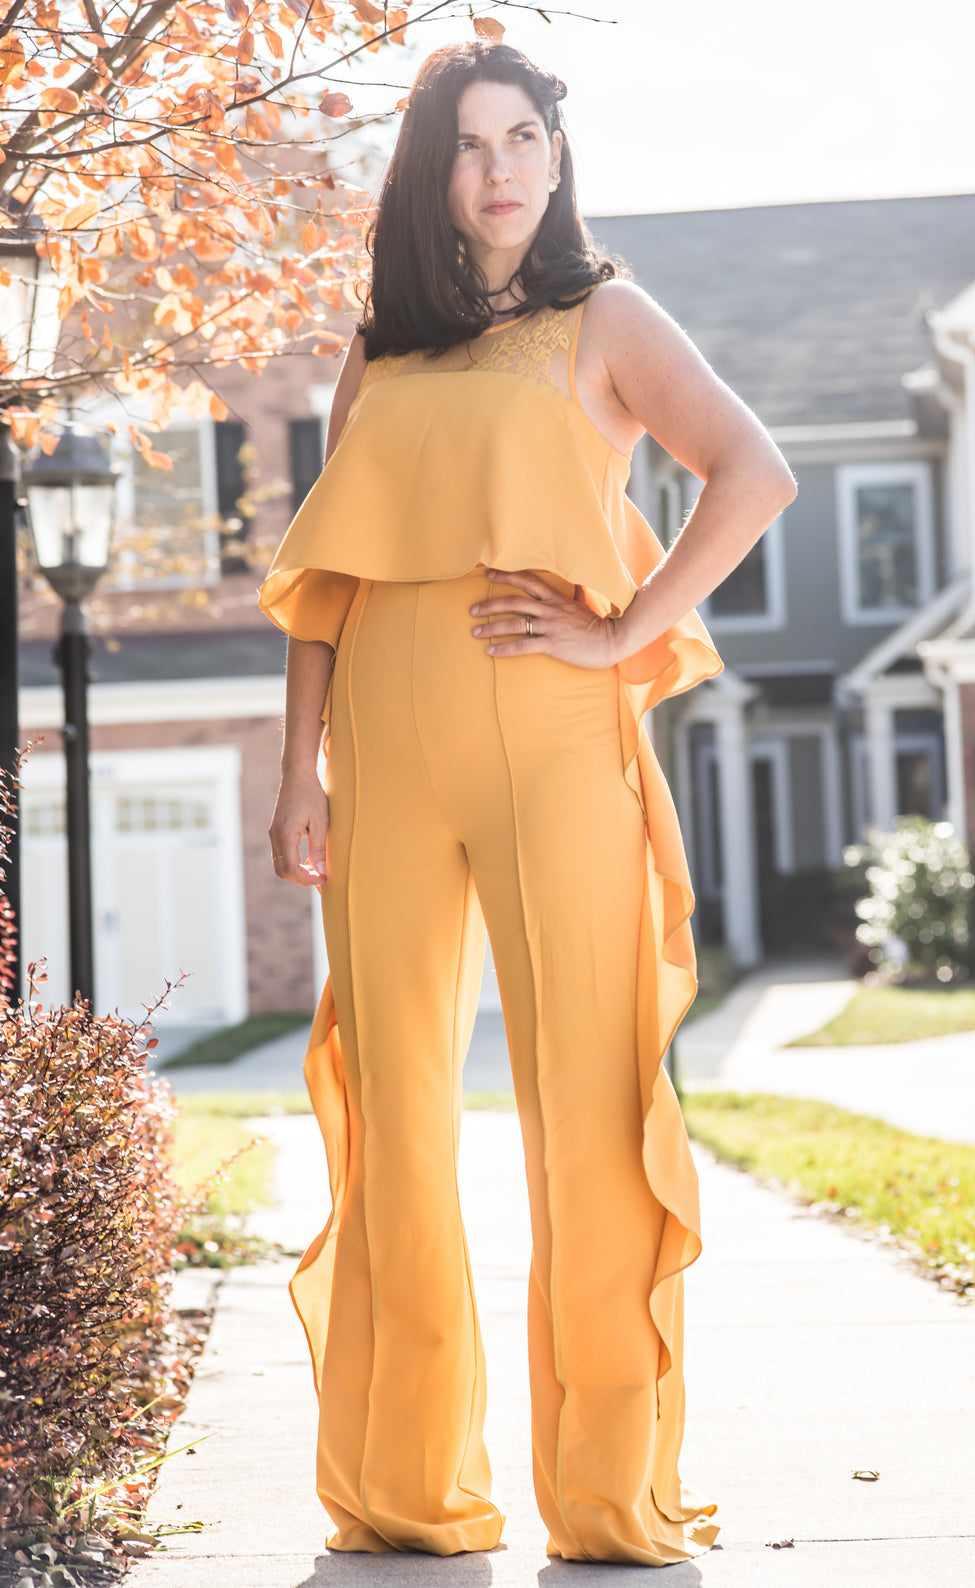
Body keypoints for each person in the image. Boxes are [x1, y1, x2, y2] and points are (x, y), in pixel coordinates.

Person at [259, 38, 796, 1566]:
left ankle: (603, 1498)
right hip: (383, 751)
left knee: (583, 1108)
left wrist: (627, 631)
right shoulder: (383, 349)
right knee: (398, 1117)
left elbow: (751, 473)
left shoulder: (605, 318)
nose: (497, 169)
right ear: (432, 172)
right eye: (467, 144)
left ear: (555, 160)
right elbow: (325, 587)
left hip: (557, 745)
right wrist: (298, 766)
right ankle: (407, 1488)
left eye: (521, 139)